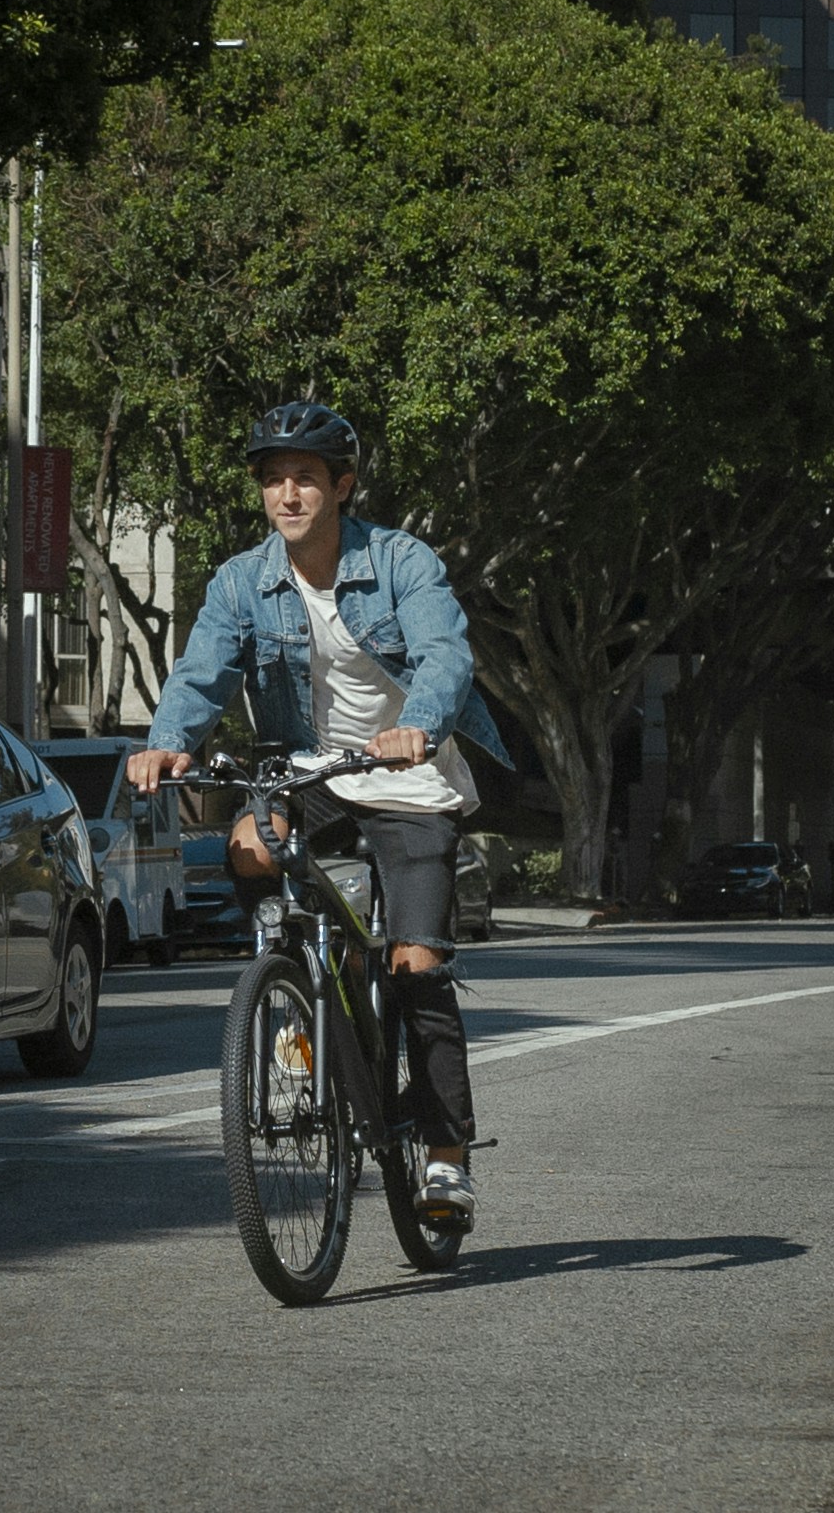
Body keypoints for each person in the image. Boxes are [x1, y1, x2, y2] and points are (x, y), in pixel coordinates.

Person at [127, 402, 508, 1230]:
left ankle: (446, 1156)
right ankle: (294, 993)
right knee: (251, 847)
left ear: (342, 486)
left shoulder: (402, 561)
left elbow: (446, 653)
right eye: (273, 480)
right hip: (313, 771)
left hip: (406, 774)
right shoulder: (241, 581)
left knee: (416, 964)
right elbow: (201, 675)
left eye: (304, 478)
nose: (287, 494)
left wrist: (420, 726)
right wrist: (167, 743)